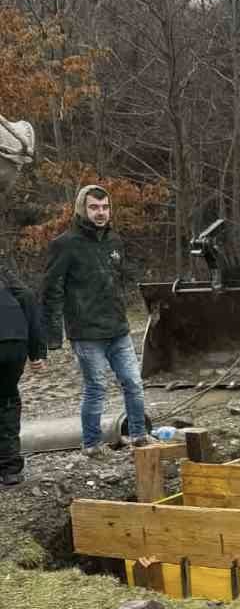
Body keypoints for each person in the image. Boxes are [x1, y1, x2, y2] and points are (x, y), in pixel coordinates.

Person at [41, 185, 149, 456]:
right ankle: (91, 444)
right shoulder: (65, 245)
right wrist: (53, 335)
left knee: (134, 383)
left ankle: (139, 436)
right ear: (82, 209)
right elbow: (51, 290)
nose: (100, 213)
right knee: (96, 388)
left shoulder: (114, 240)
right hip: (86, 332)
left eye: (104, 207)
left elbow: (122, 276)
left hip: (118, 327)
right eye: (94, 207)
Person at [0, 261, 48, 485]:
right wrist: (36, 352)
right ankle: (10, 469)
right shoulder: (4, 272)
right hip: (14, 341)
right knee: (7, 399)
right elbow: (28, 296)